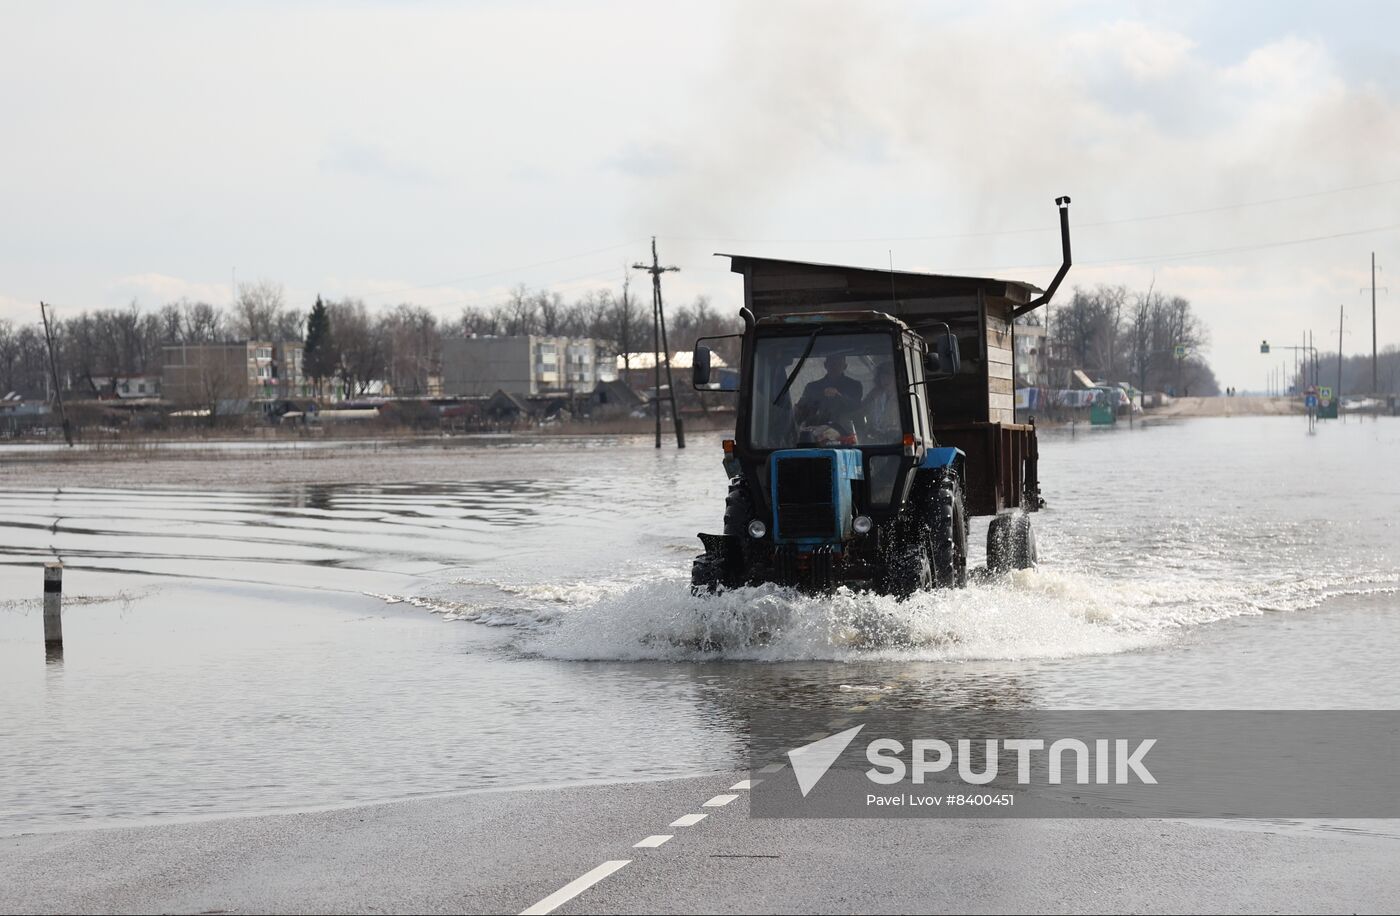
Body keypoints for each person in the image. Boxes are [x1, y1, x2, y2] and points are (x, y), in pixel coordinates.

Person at [796, 355, 863, 427]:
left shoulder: (854, 386)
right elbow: (802, 410)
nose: (835, 367)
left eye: (839, 364)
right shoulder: (812, 387)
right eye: (832, 364)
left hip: (848, 432)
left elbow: (857, 407)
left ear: (845, 366)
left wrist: (839, 396)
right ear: (825, 365)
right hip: (816, 431)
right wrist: (821, 395)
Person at [862, 360, 901, 440]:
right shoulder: (875, 397)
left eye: (889, 376)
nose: (885, 379)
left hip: (896, 438)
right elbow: (862, 412)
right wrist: (869, 399)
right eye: (882, 376)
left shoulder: (903, 398)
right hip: (876, 438)